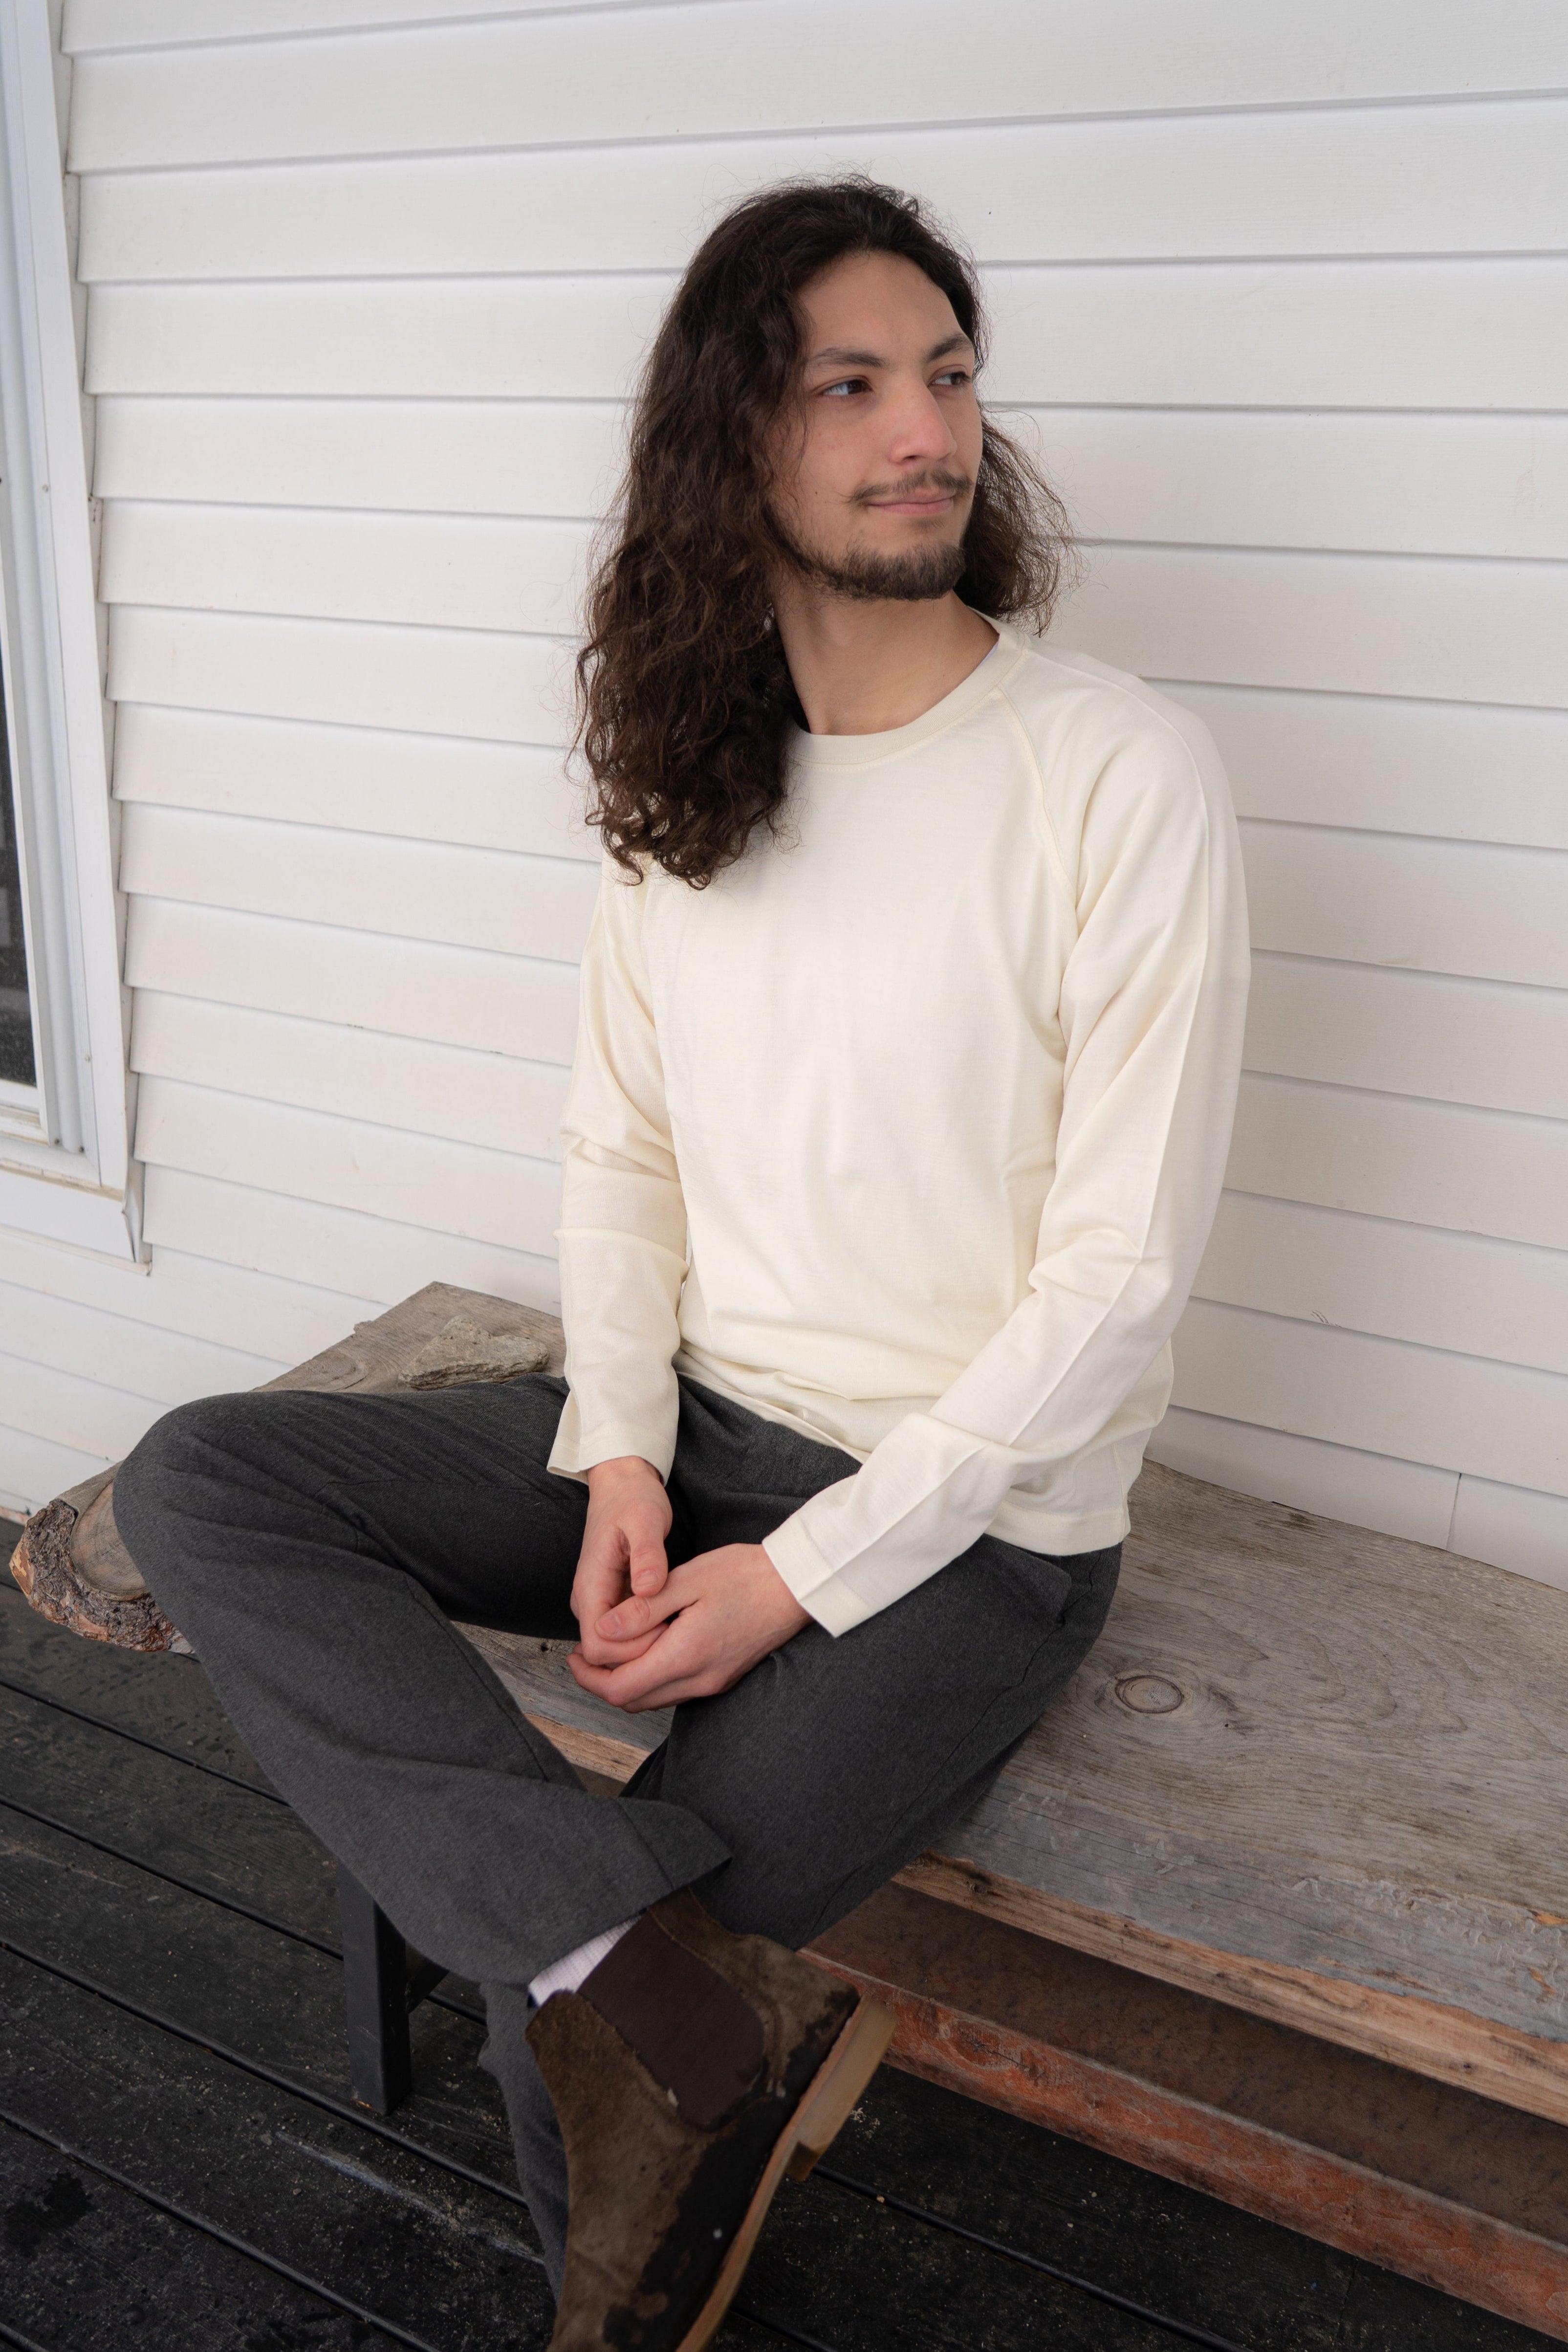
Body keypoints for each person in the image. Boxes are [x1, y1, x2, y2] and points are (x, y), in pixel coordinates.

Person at [113, 177, 1250, 2352]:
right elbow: (617, 1151)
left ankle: (614, 2147)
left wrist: (798, 1578)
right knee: (201, 1484)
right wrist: (624, 1457)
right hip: (696, 1440)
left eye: (945, 375)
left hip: (971, 1530)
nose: (925, 428)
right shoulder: (696, 780)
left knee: (636, 2004)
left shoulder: (1117, 774)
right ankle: (620, 1975)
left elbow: (1116, 1277)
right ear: (735, 440)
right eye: (851, 385)